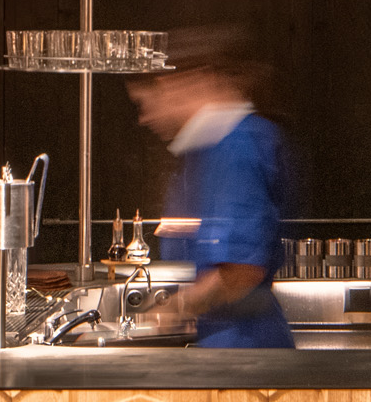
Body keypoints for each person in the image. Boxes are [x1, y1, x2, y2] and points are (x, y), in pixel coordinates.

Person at [125, 28, 293, 348]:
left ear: (175, 85)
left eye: (144, 104)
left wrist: (169, 312)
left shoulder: (237, 148)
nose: (144, 119)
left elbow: (240, 272)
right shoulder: (208, 149)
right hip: (226, 347)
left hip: (246, 353)